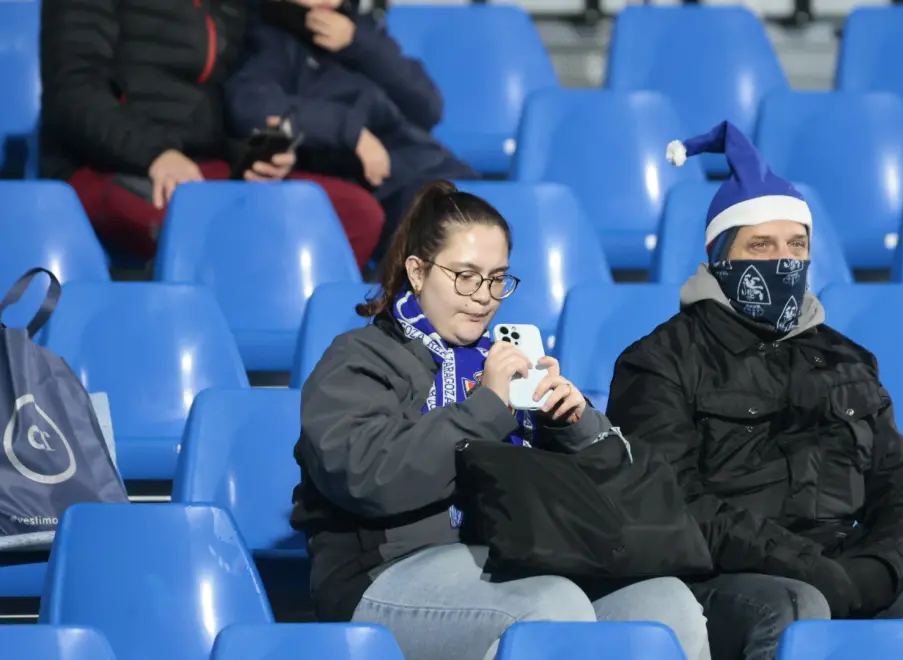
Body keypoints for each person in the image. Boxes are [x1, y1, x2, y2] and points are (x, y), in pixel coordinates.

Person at [606, 121, 903, 660]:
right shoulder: (658, 361)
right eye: (759, 244)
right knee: (797, 610)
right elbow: (672, 503)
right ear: (720, 255)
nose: (782, 261)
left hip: (849, 568)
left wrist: (878, 569)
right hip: (728, 579)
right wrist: (806, 568)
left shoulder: (848, 359)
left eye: (796, 244)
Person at [291, 180, 710, 660]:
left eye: (497, 279)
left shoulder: (507, 360)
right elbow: (365, 473)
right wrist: (488, 407)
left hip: (517, 557)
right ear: (418, 271)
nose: (483, 297)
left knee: (667, 607)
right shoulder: (360, 358)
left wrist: (573, 426)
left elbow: (605, 497)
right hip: (382, 573)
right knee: (550, 606)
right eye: (466, 276)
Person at [40, 0, 385, 268]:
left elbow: (232, 101)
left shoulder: (235, 7)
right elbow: (72, 95)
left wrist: (253, 153)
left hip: (204, 169)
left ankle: (271, 340)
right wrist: (156, 154)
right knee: (191, 228)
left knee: (354, 214)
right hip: (107, 163)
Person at [224, 0, 477, 262]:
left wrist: (359, 44)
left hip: (435, 168)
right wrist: (349, 131)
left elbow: (428, 107)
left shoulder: (362, 31)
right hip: (388, 191)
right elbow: (251, 107)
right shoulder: (270, 40)